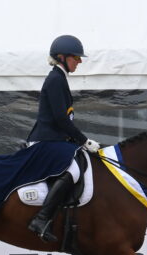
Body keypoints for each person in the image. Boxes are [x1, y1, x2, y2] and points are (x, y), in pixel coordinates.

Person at [26, 35, 101, 242]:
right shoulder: (55, 79)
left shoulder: (60, 78)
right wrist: (83, 140)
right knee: (74, 170)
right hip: (46, 141)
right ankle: (41, 219)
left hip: (55, 140)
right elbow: (60, 118)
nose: (80, 61)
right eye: (76, 57)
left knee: (81, 163)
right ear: (62, 57)